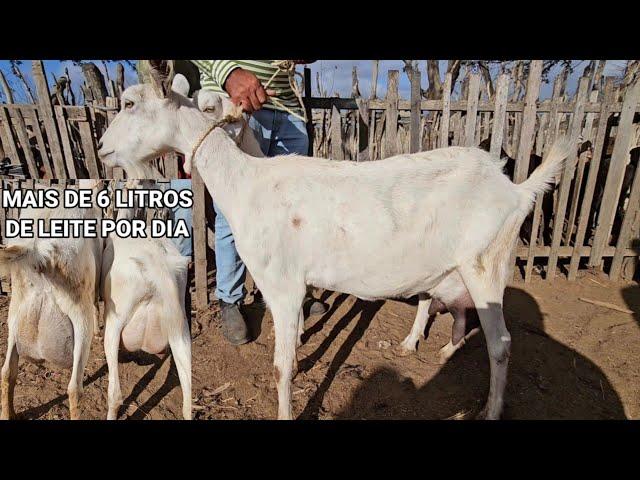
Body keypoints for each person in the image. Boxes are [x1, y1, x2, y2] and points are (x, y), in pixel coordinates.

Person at [190, 60, 327, 345]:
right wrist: (229, 74)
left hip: (287, 109)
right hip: (233, 105)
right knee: (234, 212)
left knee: (292, 215)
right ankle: (231, 300)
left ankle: (287, 294)